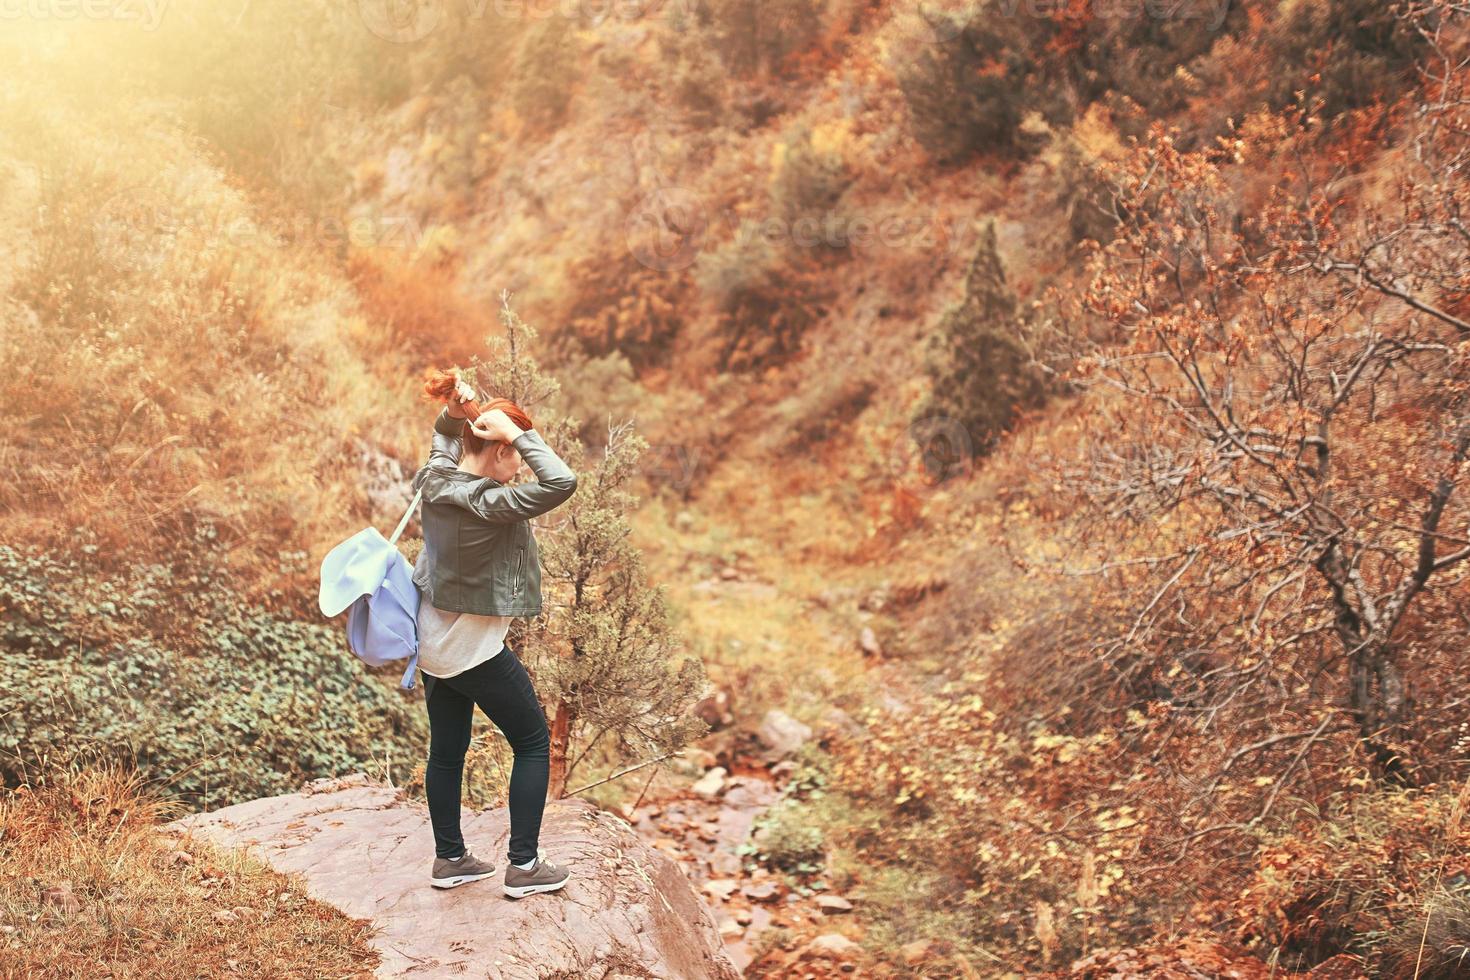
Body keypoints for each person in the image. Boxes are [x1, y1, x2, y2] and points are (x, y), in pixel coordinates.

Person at [411, 378, 578, 897]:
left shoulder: (435, 478)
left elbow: (444, 440)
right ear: (503, 447)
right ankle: (524, 866)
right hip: (474, 650)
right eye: (516, 458)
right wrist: (521, 435)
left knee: (446, 752)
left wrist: (456, 413)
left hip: (433, 646)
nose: (520, 472)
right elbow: (561, 483)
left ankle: (451, 859)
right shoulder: (489, 502)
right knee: (531, 742)